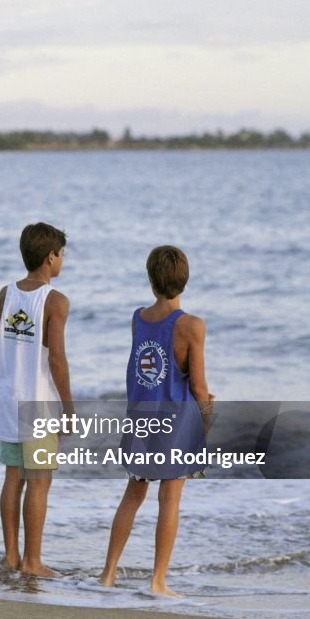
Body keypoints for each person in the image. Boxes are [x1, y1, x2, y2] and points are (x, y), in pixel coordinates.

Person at [99, 245, 213, 596]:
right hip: (176, 424)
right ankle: (158, 580)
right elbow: (197, 386)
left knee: (133, 495)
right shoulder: (192, 326)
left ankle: (107, 574)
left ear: (151, 281)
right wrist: (207, 416)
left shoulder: (138, 318)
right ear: (186, 280)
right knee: (171, 500)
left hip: (140, 419)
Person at [0, 222, 73, 577]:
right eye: (62, 254)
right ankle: (33, 562)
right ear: (50, 257)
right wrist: (68, 407)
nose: (63, 260)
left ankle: (11, 556)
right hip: (38, 403)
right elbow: (56, 359)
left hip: (9, 399)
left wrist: (11, 378)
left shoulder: (5, 294)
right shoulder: (55, 301)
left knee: (13, 477)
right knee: (39, 480)